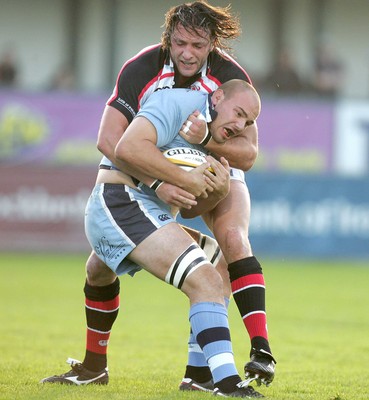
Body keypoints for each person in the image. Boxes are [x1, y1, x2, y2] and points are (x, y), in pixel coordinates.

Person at [40, 0, 276, 392]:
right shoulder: (144, 71)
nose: (187, 53)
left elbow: (248, 154)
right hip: (133, 188)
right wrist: (158, 183)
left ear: (212, 45)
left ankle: (209, 370)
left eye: (198, 46)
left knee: (222, 252)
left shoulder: (230, 81)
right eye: (180, 43)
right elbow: (108, 140)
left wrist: (204, 142)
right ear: (168, 39)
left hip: (188, 171)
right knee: (199, 275)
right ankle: (224, 381)